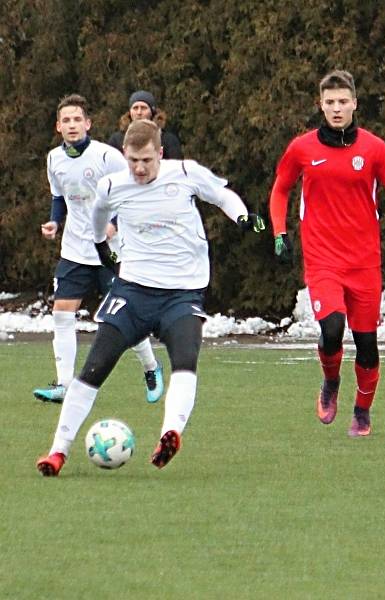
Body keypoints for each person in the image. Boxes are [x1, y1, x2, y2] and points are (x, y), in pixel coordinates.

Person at [36, 119, 264, 476]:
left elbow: (222, 195)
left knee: (185, 361)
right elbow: (97, 216)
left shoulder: (185, 173)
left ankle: (170, 432)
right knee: (95, 366)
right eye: (132, 161)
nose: (139, 169)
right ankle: (57, 452)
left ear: (160, 153)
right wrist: (101, 246)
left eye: (146, 160)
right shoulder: (113, 185)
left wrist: (243, 217)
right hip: (134, 290)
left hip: (182, 292)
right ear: (124, 156)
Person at [268, 69, 385, 438]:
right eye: (330, 102)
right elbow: (280, 190)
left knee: (367, 343)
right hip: (323, 260)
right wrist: (279, 233)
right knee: (332, 329)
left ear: (354, 103)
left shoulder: (373, 147)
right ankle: (331, 382)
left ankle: (362, 412)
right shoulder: (302, 148)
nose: (337, 109)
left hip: (365, 261)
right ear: (321, 105)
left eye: (343, 102)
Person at [34, 94, 164, 405]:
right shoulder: (54, 159)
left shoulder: (107, 157)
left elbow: (133, 185)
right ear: (58, 127)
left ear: (88, 124)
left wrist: (115, 222)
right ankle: (65, 384)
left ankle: (151, 367)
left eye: (77, 119)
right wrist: (54, 222)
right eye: (66, 120)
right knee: (62, 311)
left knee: (125, 314)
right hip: (74, 250)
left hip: (111, 250)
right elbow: (58, 196)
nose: (72, 125)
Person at [108, 90, 182, 159]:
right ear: (130, 112)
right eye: (135, 108)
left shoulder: (167, 140)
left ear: (152, 112)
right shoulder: (117, 139)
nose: (139, 112)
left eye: (143, 108)